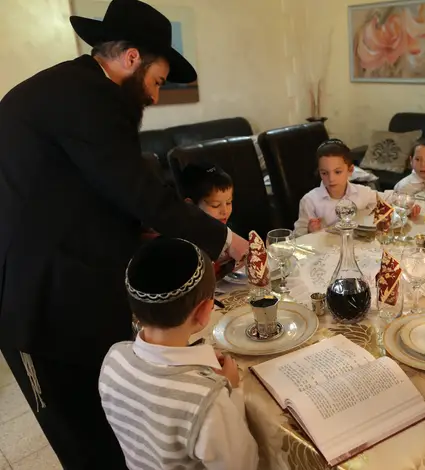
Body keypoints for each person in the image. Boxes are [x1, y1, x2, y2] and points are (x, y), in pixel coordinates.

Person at [0, 1, 248, 468]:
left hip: (80, 284)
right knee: (79, 433)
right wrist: (226, 239)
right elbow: (139, 190)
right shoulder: (85, 97)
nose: (154, 96)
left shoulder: (83, 89)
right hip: (38, 301)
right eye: (157, 81)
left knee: (109, 418)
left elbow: (100, 187)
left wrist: (143, 227)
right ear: (132, 58)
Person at [99, 237, 259, 470]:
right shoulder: (207, 401)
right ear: (204, 311)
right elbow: (243, 465)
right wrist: (233, 390)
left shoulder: (114, 358)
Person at [295, 138, 420, 235]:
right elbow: (297, 236)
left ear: (350, 170)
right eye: (324, 173)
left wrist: (409, 206)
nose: (331, 179)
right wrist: (309, 231)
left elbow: (389, 197)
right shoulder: (310, 201)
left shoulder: (361, 192)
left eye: (337, 172)